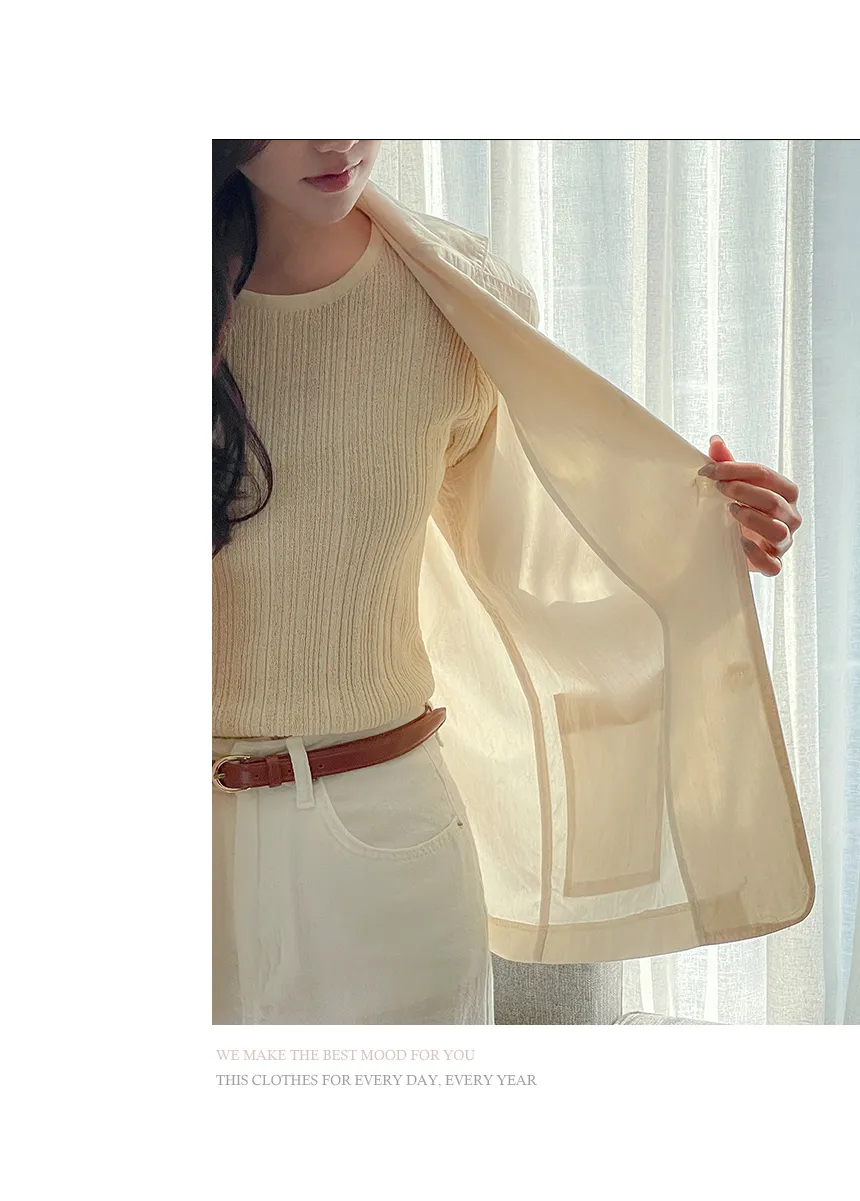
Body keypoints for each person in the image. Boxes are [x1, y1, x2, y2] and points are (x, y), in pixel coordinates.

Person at [212, 140, 808, 1026]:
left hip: (381, 827)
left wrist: (699, 536)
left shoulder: (456, 297)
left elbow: (530, 560)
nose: (336, 135)